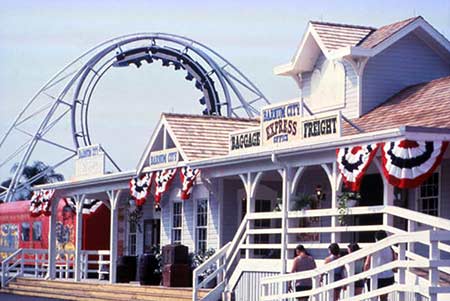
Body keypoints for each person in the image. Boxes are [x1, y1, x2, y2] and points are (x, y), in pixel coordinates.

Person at [364, 230, 396, 301]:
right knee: (384, 298)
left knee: (373, 298)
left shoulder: (372, 248)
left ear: (376, 238)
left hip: (375, 277)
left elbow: (367, 264)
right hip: (388, 277)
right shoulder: (390, 249)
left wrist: (365, 275)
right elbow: (395, 265)